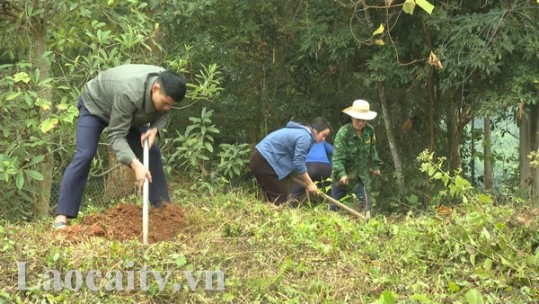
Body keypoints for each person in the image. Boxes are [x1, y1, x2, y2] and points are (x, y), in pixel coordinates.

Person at [53, 64, 187, 229]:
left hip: (127, 114)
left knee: (152, 152)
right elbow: (116, 135)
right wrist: (135, 163)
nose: (167, 108)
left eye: (171, 105)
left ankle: (164, 212)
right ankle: (62, 216)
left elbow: (164, 114)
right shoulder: (130, 92)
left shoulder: (167, 83)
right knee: (85, 154)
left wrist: (154, 129)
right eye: (165, 103)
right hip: (96, 106)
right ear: (155, 88)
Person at [249, 117, 331, 205]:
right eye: (324, 135)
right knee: (280, 199)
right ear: (315, 131)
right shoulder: (305, 137)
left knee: (273, 198)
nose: (324, 139)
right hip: (264, 160)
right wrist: (310, 184)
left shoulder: (301, 133)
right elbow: (298, 163)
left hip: (260, 159)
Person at [331, 99, 383, 218]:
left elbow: (373, 151)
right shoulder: (343, 133)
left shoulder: (369, 131)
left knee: (365, 207)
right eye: (358, 119)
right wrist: (342, 174)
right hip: (343, 174)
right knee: (335, 208)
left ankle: (365, 229)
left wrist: (376, 166)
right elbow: (337, 158)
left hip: (361, 175)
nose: (360, 123)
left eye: (363, 120)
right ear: (352, 118)